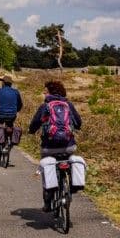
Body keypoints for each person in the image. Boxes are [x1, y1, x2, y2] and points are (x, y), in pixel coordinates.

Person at [28, 80, 82, 210]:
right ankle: (72, 184)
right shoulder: (68, 105)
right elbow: (79, 123)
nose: (43, 93)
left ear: (50, 92)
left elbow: (34, 124)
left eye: (45, 91)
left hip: (49, 148)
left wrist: (31, 131)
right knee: (68, 160)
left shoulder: (45, 106)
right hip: (69, 146)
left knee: (47, 165)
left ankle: (48, 200)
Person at [0, 75, 24, 157]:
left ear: (4, 83)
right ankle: (10, 141)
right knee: (10, 126)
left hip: (1, 115)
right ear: (11, 84)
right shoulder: (16, 92)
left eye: (2, 82)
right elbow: (20, 104)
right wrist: (16, 110)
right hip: (12, 115)